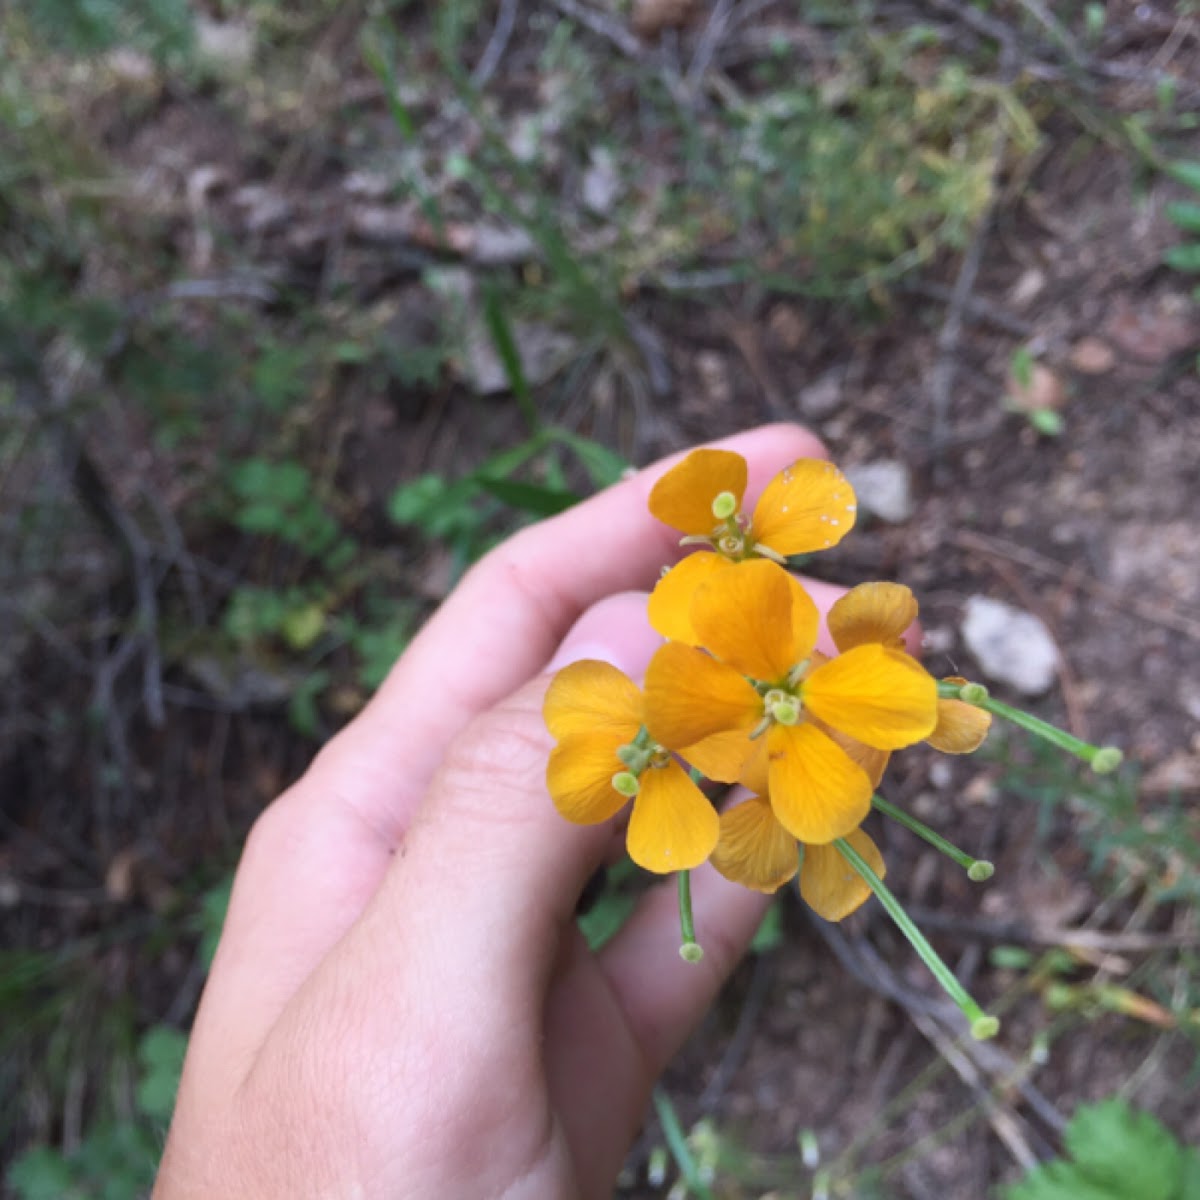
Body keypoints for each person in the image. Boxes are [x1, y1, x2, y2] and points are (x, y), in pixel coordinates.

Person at [153, 423, 858, 1200]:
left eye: (731, 537)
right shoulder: (698, 718)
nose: (726, 540)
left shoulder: (743, 685)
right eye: (717, 538)